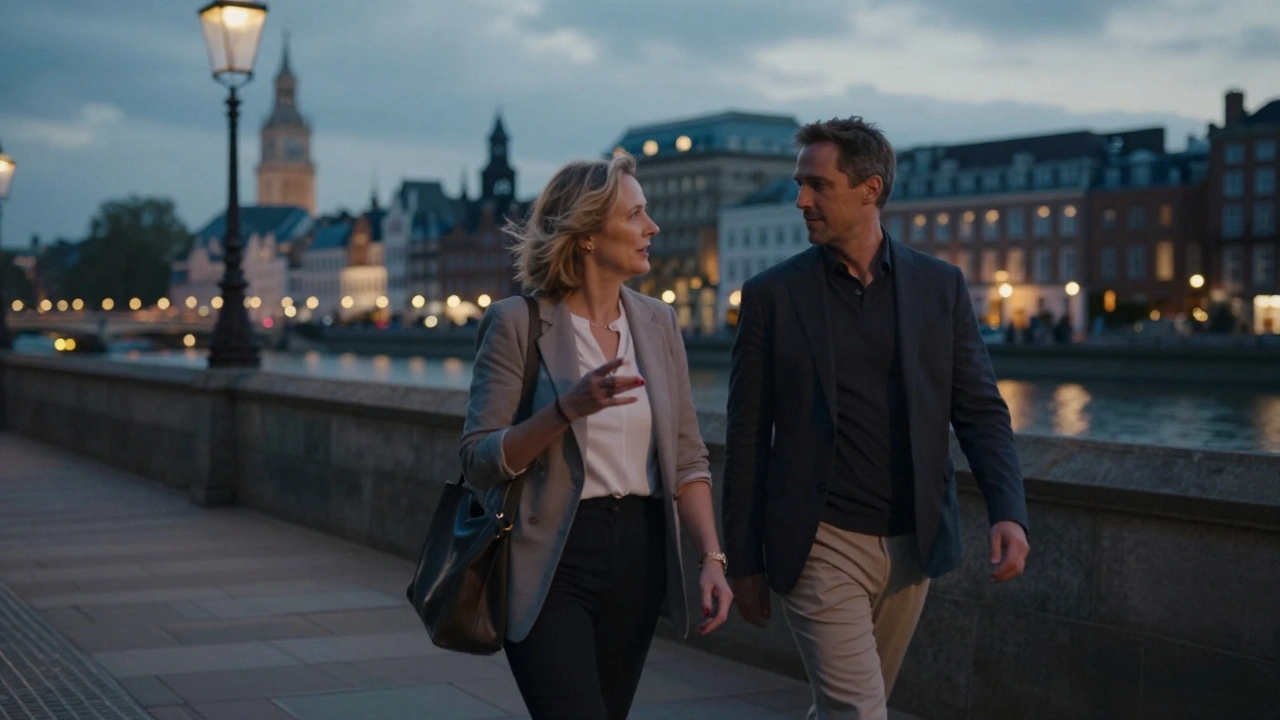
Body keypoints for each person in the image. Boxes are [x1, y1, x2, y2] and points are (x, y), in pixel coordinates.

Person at [723, 117, 1030, 720]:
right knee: (860, 711)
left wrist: (1009, 510)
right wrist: (744, 561)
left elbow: (980, 411)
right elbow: (747, 438)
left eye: (817, 185)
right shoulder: (772, 297)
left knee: (853, 706)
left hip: (912, 541)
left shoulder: (938, 286)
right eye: (798, 184)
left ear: (870, 189)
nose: (801, 200)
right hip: (818, 540)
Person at [459, 151, 732, 720]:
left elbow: (687, 457)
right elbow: (479, 459)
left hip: (639, 556)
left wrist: (711, 557)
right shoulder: (517, 322)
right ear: (586, 234)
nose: (651, 228)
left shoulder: (657, 323)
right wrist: (564, 410)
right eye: (635, 215)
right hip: (549, 558)